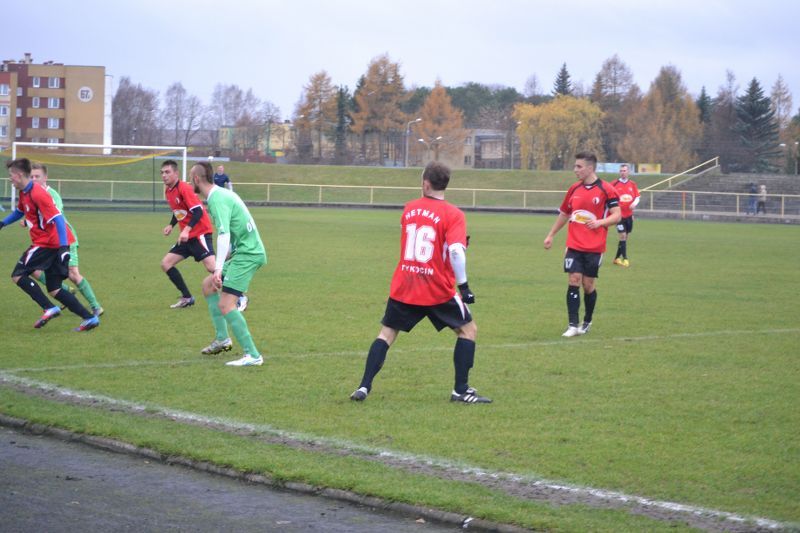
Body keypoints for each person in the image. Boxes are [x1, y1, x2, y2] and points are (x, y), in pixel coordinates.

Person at [350, 161, 491, 404]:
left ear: (426, 184)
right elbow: (456, 251)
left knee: (386, 334)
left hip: (406, 284)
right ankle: (460, 390)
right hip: (436, 287)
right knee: (468, 330)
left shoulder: (409, 209)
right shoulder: (454, 214)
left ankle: (364, 386)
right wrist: (464, 287)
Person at [0, 158, 99, 331]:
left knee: (18, 274)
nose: (10, 179)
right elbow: (19, 212)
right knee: (54, 289)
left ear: (20, 175)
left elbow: (58, 219)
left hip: (47, 243)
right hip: (50, 243)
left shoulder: (38, 193)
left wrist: (64, 247)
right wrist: (3, 223)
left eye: (11, 175)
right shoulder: (24, 192)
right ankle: (89, 318)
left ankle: (49, 308)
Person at [190, 162, 267, 366]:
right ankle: (222, 339)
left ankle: (253, 355)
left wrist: (218, 268)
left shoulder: (217, 199)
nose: (190, 183)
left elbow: (224, 234)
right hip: (244, 252)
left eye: (190, 179)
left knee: (226, 304)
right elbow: (233, 232)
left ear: (197, 179)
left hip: (248, 254)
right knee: (208, 285)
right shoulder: (222, 195)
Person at [543, 152, 621, 338]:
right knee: (573, 280)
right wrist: (551, 235)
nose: (575, 170)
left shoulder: (606, 189)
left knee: (588, 285)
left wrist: (600, 223)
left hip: (595, 247)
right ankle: (572, 325)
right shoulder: (574, 189)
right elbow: (564, 213)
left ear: (590, 168)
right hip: (574, 245)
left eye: (579, 166)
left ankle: (587, 321)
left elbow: (617, 215)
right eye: (575, 166)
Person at [30, 163, 104, 316]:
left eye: (37, 176)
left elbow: (54, 214)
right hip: (48, 242)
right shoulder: (32, 195)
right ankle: (65, 291)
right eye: (31, 176)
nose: (34, 179)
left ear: (45, 178)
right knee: (33, 269)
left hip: (65, 239)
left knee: (73, 274)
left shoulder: (51, 194)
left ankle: (96, 306)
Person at [160, 159, 216, 309]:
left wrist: (186, 230)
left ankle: (239, 295)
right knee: (166, 263)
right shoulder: (168, 191)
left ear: (176, 173)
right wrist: (171, 225)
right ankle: (187, 298)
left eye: (167, 172)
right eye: (162, 172)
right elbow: (179, 211)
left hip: (200, 234)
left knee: (213, 268)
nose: (164, 175)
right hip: (186, 238)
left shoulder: (184, 188)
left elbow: (197, 211)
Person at [611, 164, 640, 267]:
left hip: (629, 216)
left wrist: (634, 204)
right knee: (622, 236)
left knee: (624, 238)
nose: (623, 172)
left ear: (628, 172)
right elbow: (607, 197)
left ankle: (616, 258)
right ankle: (625, 259)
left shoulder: (632, 184)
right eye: (621, 171)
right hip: (619, 216)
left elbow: (637, 197)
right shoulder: (614, 184)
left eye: (624, 171)